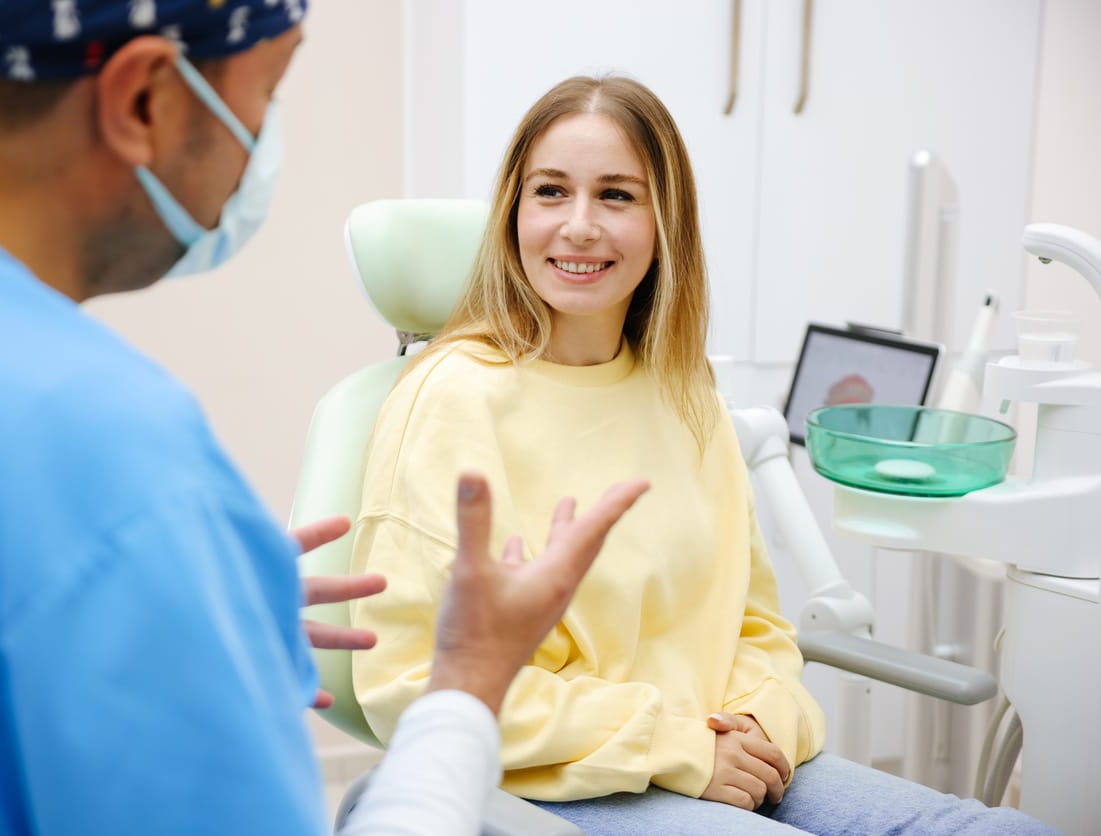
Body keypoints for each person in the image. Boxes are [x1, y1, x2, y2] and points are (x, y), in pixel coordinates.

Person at [0, 4, 650, 834]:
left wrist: (159, 605)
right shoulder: (101, 457)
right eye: (268, 90)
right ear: (144, 100)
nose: (259, 144)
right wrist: (469, 680)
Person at [348, 75, 1057, 835]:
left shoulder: (685, 395)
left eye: (616, 195)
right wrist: (677, 745)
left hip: (723, 752)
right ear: (513, 213)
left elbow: (754, 625)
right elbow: (413, 680)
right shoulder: (452, 398)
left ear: (665, 222)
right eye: (549, 192)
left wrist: (760, 723)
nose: (578, 225)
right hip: (559, 780)